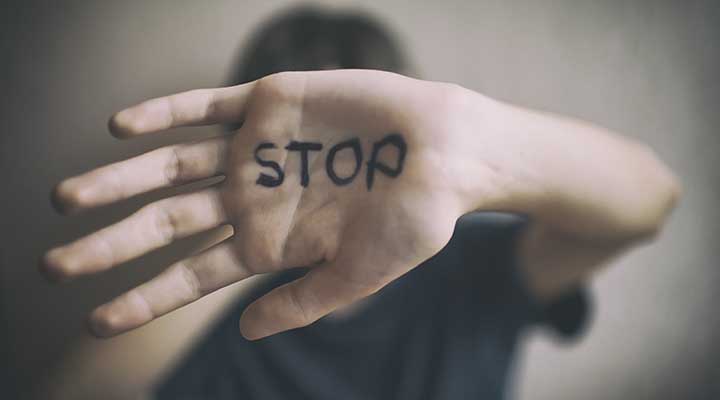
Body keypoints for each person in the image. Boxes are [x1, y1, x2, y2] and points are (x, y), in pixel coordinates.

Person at [40, 6, 680, 400]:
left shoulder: (475, 265)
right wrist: (226, 245)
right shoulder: (219, 318)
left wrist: (478, 144)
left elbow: (651, 199)